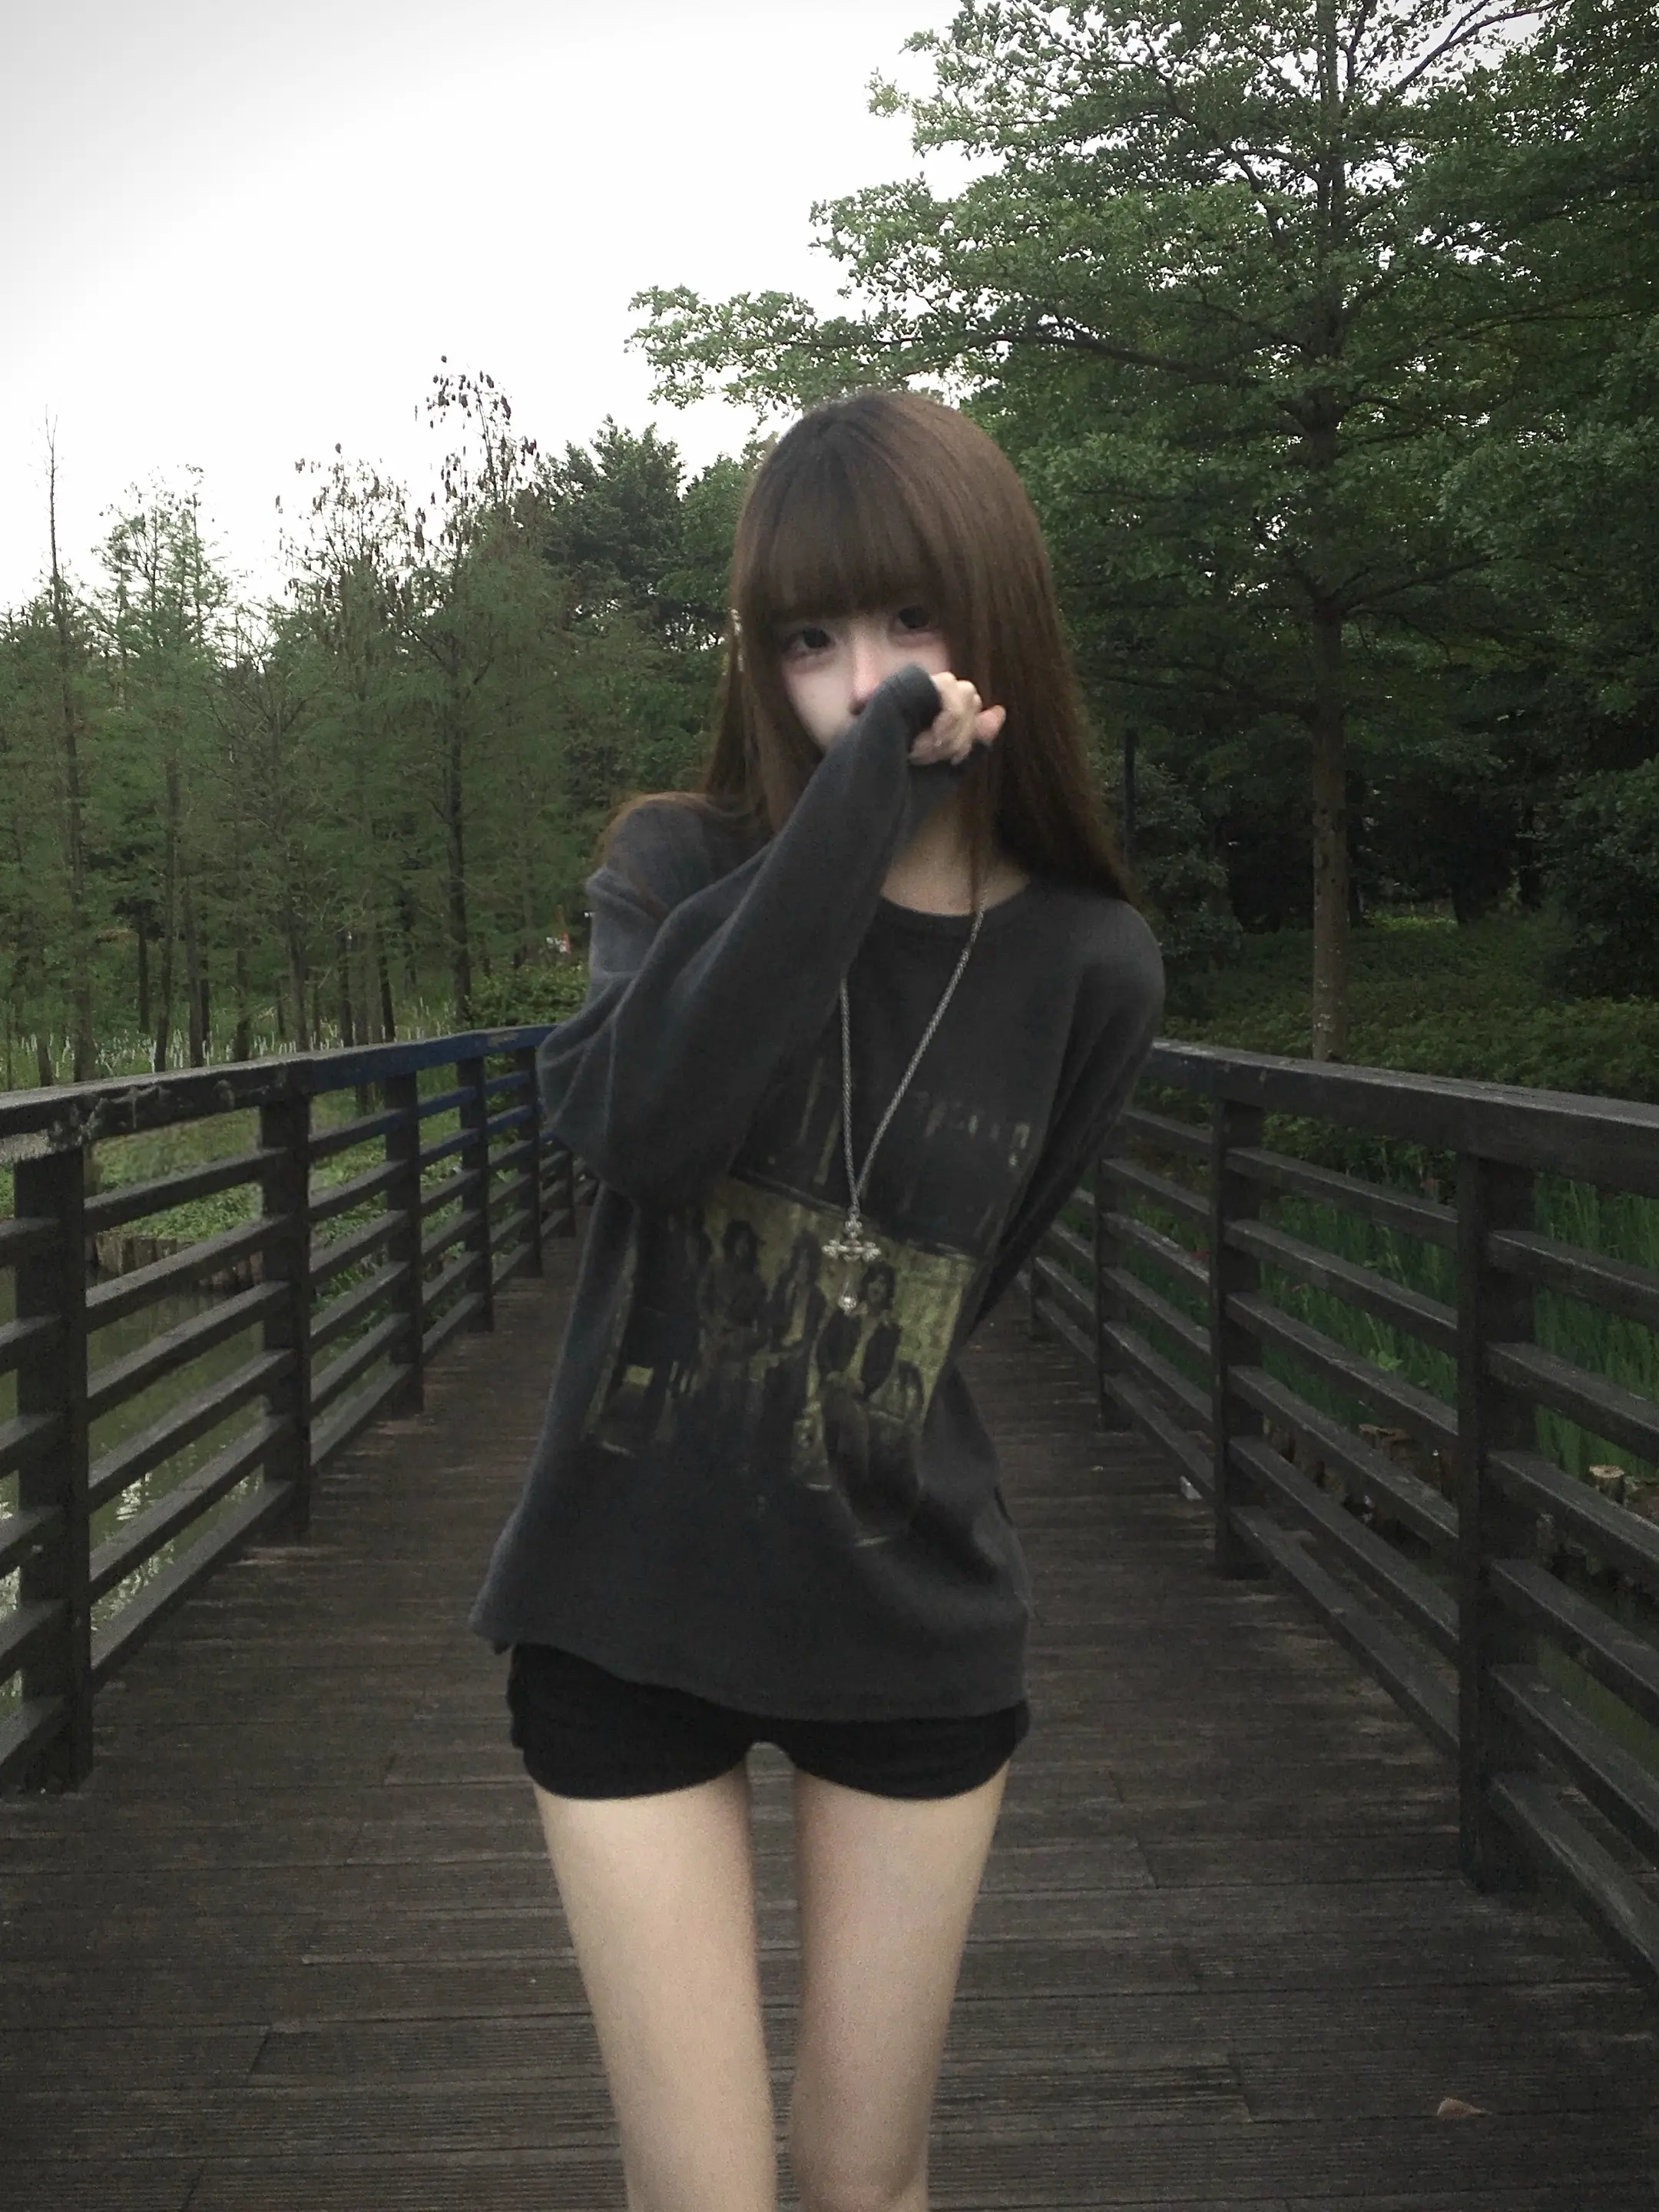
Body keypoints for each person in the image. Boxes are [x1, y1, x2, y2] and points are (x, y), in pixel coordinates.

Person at [470, 389, 1164, 2212]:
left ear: (999, 621)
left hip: (906, 1609)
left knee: (864, 2180)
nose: (867, 682)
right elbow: (637, 1131)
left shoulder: (1092, 962)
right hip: (623, 1593)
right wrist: (862, 810)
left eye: (913, 624)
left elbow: (967, 1282)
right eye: (810, 642)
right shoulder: (676, 870)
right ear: (758, 658)